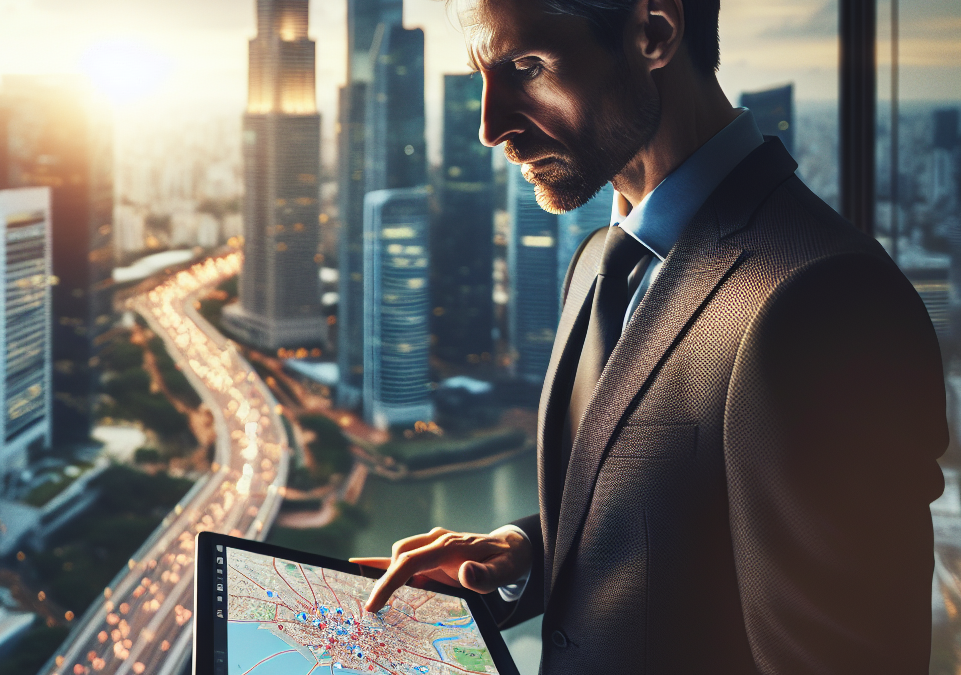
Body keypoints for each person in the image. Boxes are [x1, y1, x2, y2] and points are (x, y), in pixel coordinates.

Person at [351, 0, 949, 671]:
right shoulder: (599, 263)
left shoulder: (827, 302)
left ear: (653, 32)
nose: (491, 127)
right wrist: (524, 556)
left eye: (526, 67)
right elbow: (688, 531)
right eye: (482, 76)